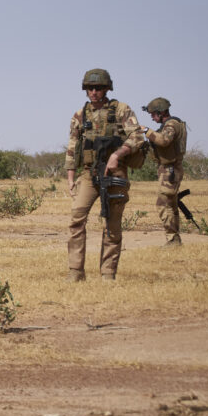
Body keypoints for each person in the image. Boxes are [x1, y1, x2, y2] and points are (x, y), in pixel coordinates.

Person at [64, 69, 145, 282]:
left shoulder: (121, 110)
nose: (94, 92)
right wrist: (71, 178)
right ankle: (75, 272)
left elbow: (137, 137)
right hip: (89, 174)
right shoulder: (80, 115)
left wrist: (117, 155)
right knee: (76, 220)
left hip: (115, 173)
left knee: (111, 223)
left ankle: (108, 274)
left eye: (98, 88)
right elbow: (72, 147)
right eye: (90, 88)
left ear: (107, 89)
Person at [141, 97, 188, 246]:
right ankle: (175, 239)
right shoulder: (171, 124)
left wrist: (146, 131)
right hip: (170, 169)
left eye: (153, 114)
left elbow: (164, 141)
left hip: (170, 170)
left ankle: (172, 239)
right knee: (171, 205)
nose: (152, 117)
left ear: (161, 112)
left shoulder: (171, 125)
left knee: (163, 205)